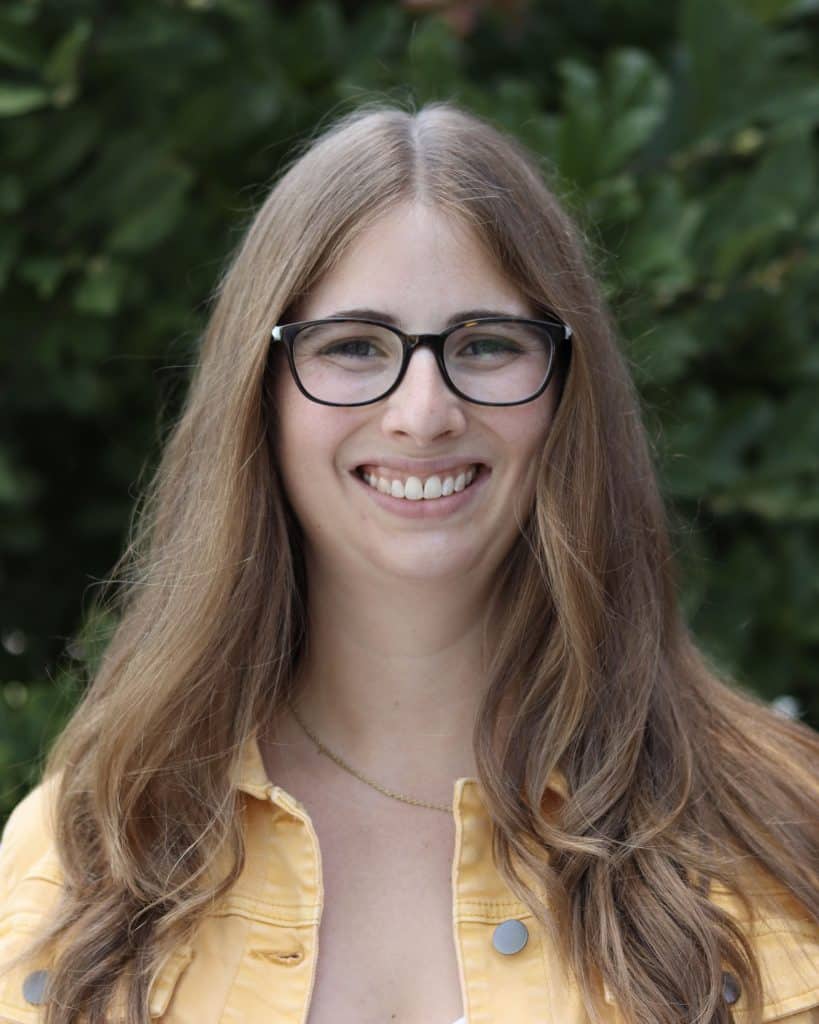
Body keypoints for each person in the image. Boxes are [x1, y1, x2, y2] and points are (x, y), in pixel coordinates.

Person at [0, 100, 817, 1024]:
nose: (423, 413)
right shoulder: (86, 856)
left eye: (486, 345)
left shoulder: (785, 828)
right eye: (353, 346)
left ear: (568, 391)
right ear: (259, 396)